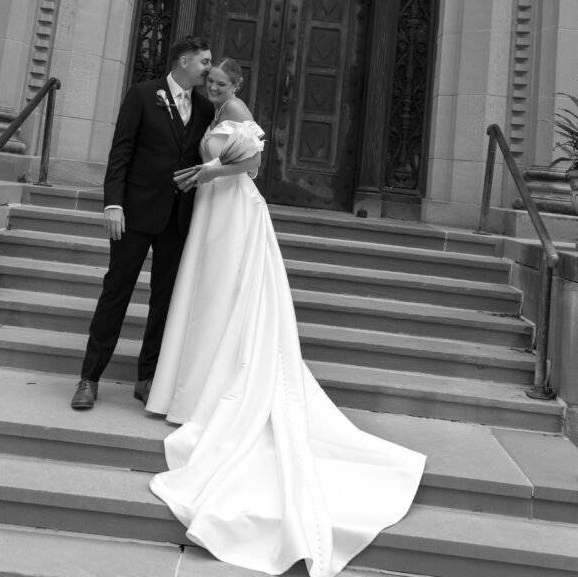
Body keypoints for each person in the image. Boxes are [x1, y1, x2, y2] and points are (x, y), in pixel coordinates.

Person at [145, 58, 426, 577]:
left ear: (238, 86)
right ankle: (195, 379)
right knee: (209, 296)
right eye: (210, 81)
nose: (214, 87)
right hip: (213, 208)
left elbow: (249, 167)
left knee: (228, 293)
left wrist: (209, 170)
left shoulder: (238, 110)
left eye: (221, 82)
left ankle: (212, 380)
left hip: (234, 208)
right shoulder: (212, 112)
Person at [70, 36, 214, 410]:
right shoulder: (142, 94)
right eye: (204, 61)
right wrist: (113, 204)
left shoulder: (203, 108)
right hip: (133, 213)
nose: (209, 69)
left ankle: (148, 379)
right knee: (116, 293)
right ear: (183, 61)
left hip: (177, 219)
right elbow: (121, 151)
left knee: (164, 301)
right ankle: (89, 378)